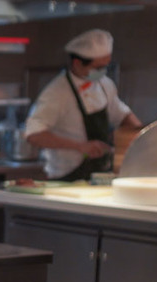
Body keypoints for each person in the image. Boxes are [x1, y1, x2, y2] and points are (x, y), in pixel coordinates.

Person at [24, 29, 143, 181]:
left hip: (100, 175)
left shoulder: (105, 84)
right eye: (98, 68)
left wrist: (142, 139)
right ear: (77, 63)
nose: (103, 72)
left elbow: (123, 115)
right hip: (66, 177)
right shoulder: (56, 93)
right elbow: (34, 135)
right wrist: (80, 146)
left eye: (106, 66)